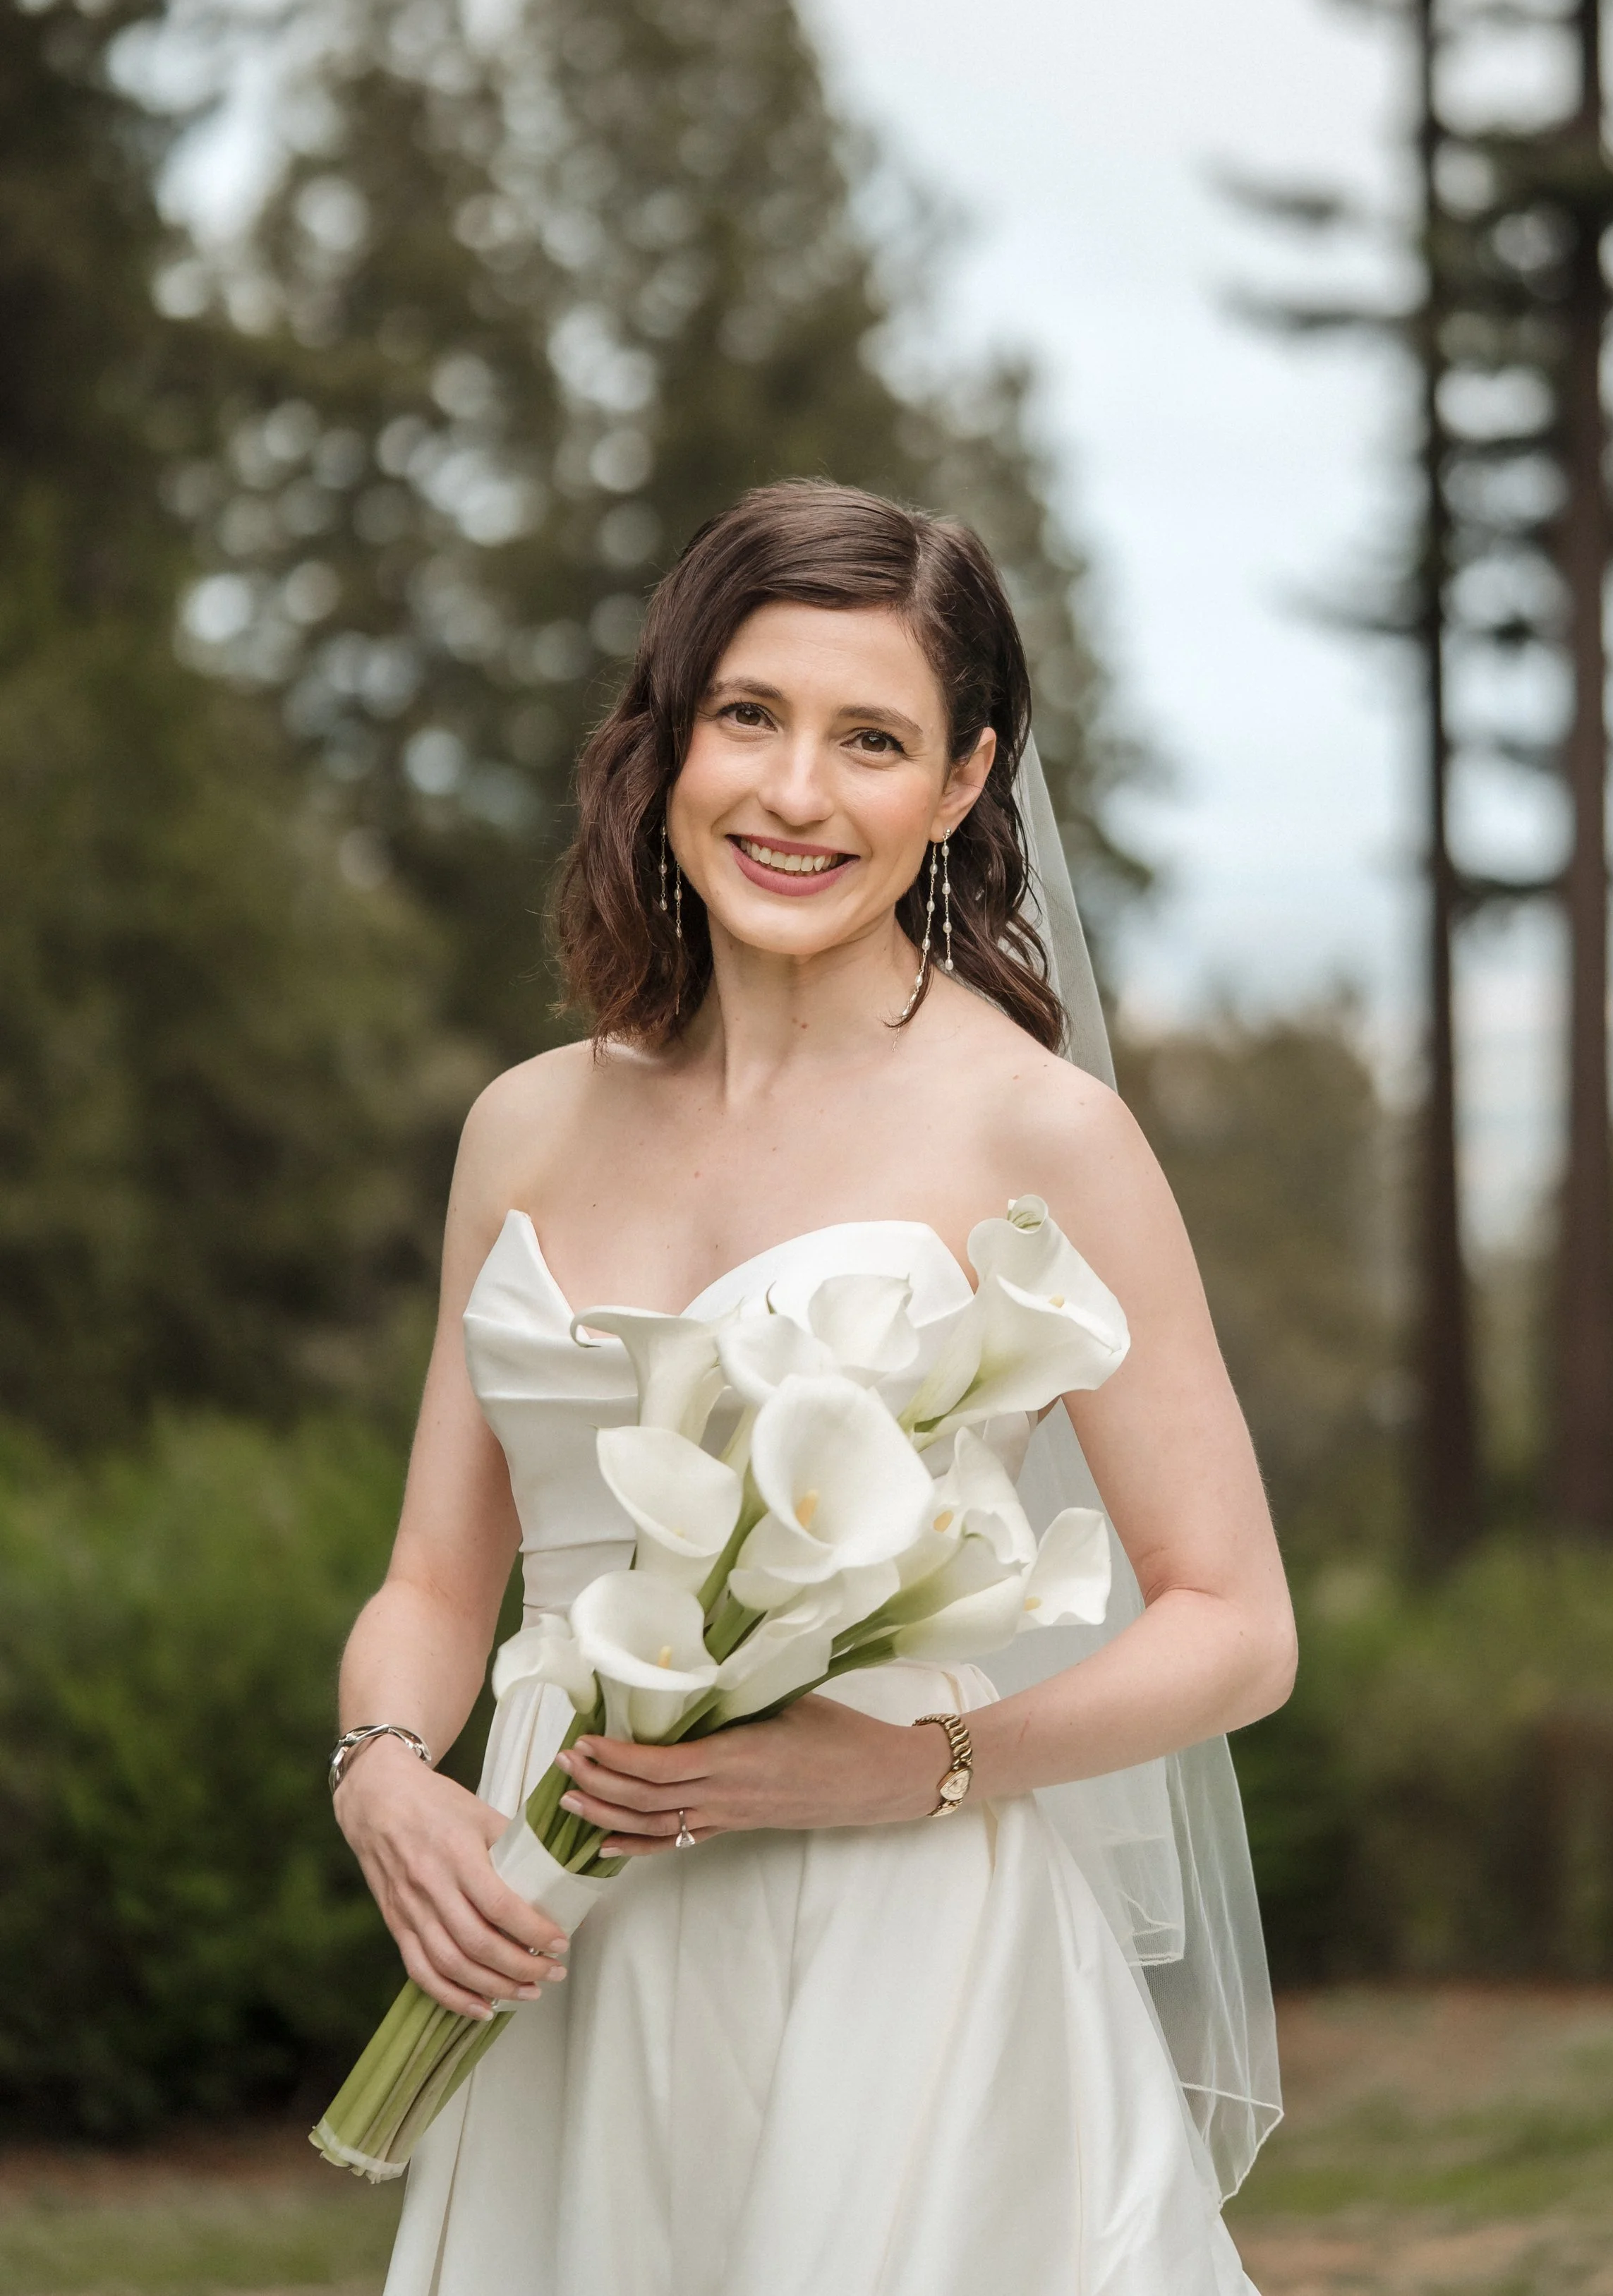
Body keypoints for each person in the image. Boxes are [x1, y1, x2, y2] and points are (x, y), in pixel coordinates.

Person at [331, 480, 1297, 2296]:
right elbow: (438, 1585)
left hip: (903, 1956)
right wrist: (384, 1767)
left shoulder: (1042, 1130)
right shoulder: (523, 1127)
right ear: (668, 738)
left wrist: (912, 1773)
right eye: (749, 717)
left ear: (957, 786)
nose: (791, 793)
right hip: (563, 1949)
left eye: (870, 741)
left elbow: (1236, 1624)